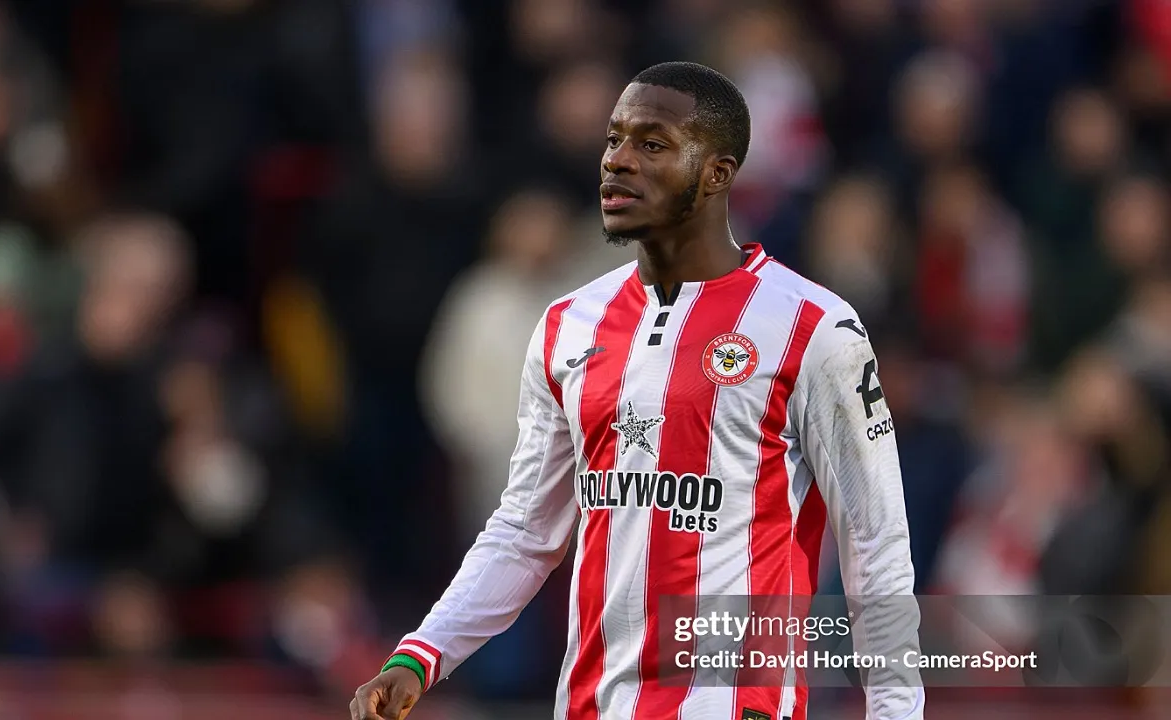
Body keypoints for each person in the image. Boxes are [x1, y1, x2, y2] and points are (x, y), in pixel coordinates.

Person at [350, 61, 925, 720]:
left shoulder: (815, 328)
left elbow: (876, 544)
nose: (617, 162)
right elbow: (525, 532)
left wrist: (895, 711)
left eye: (650, 144)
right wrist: (420, 654)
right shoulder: (569, 326)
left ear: (717, 173)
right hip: (595, 705)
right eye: (613, 139)